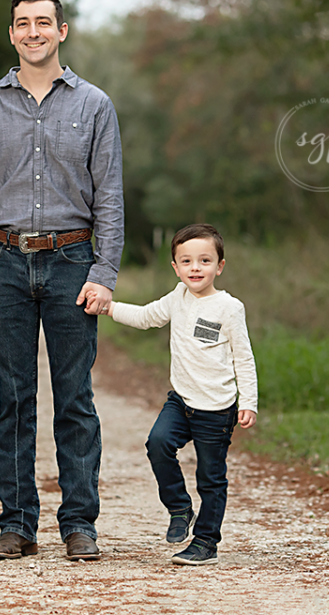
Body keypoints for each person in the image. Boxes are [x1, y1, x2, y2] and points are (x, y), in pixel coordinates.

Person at [0, 0, 124, 562]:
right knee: (14, 397)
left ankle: (79, 524)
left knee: (75, 398)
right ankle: (17, 523)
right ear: (12, 33)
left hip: (73, 262)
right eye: (22, 23)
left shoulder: (94, 104)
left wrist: (105, 272)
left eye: (44, 22)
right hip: (3, 263)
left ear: (62, 31)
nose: (33, 31)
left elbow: (110, 197)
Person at [104, 223, 258, 566]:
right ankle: (178, 507)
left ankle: (205, 542)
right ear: (175, 267)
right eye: (186, 261)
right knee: (157, 444)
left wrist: (248, 402)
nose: (195, 268)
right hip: (181, 402)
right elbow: (145, 316)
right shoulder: (178, 298)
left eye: (205, 260)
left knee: (211, 478)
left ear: (219, 266)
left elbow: (243, 357)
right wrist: (109, 307)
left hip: (217, 409)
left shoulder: (229, 308)